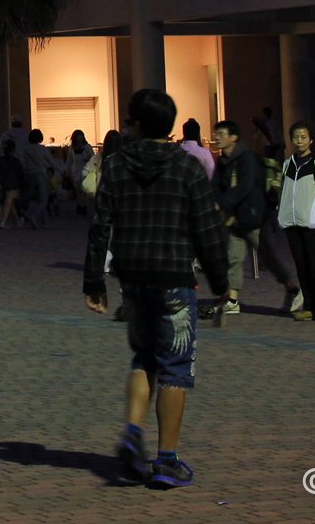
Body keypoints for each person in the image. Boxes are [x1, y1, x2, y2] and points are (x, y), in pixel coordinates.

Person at [83, 88, 231, 491]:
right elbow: (207, 230)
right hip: (173, 277)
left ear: (135, 124)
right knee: (175, 368)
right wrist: (222, 284)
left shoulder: (115, 166)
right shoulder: (186, 168)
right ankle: (166, 460)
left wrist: (94, 282)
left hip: (132, 277)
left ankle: (133, 433)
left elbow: (100, 228)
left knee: (143, 356)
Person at [276, 123, 315, 323]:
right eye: (295, 137)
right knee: (301, 266)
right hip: (291, 223)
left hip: (311, 223)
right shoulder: (288, 164)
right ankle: (310, 307)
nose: (299, 141)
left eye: (303, 137)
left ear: (310, 140)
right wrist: (281, 210)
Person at [207, 121, 263, 318]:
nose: (217, 137)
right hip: (235, 220)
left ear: (233, 137)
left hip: (251, 216)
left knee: (269, 259)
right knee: (233, 258)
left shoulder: (246, 158)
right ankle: (232, 300)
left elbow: (244, 186)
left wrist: (222, 203)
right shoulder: (223, 161)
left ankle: (292, 288)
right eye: (217, 134)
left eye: (222, 134)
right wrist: (215, 202)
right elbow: (214, 185)